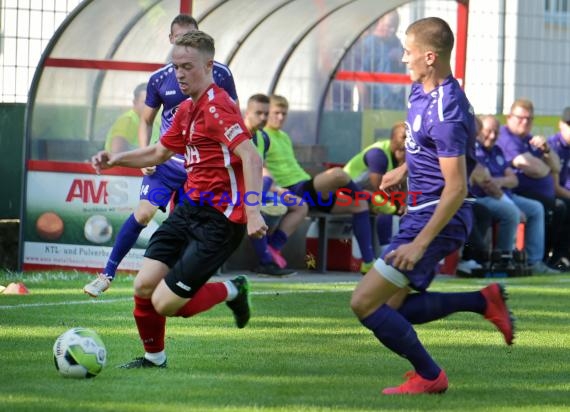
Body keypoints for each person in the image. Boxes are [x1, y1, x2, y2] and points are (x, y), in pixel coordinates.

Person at [350, 17, 514, 395]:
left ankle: (430, 375)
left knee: (363, 302)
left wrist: (419, 243)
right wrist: (405, 168)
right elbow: (433, 151)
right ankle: (482, 300)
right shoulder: (420, 92)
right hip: (423, 210)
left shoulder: (448, 110)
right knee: (395, 309)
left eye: (408, 53)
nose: (402, 59)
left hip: (440, 215)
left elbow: (456, 188)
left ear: (429, 56)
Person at [91, 30, 267, 368]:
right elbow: (158, 152)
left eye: (187, 66)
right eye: (175, 67)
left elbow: (251, 157)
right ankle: (154, 359)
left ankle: (233, 289)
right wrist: (115, 159)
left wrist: (254, 211)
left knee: (165, 303)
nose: (180, 74)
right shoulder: (186, 110)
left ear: (208, 66)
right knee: (143, 287)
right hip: (190, 209)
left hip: (221, 219)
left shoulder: (218, 109)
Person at [84, 14, 239, 297]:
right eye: (180, 39)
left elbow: (237, 128)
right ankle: (107, 273)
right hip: (166, 161)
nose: (185, 45)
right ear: (171, 41)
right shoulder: (161, 81)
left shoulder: (220, 80)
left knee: (181, 244)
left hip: (198, 170)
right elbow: (149, 125)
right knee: (144, 213)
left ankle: (203, 286)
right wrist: (134, 159)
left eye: (191, 38)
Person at [262, 94, 376, 274]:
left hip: (307, 187)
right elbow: (262, 168)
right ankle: (369, 198)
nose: (281, 117)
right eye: (276, 113)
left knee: (359, 204)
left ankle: (368, 263)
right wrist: (275, 188)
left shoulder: (283, 136)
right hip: (293, 189)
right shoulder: (262, 135)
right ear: (266, 113)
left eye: (284, 113)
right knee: (338, 175)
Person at [471, 115, 555, 273]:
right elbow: (487, 185)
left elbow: (514, 179)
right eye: (488, 131)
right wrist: (510, 202)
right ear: (480, 132)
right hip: (484, 198)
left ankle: (533, 261)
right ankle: (503, 260)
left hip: (505, 195)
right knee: (510, 212)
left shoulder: (496, 150)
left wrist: (501, 181)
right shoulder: (476, 151)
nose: (492, 135)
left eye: (496, 132)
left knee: (536, 207)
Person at [496, 99, 570, 269]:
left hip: (539, 196)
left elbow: (556, 166)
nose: (525, 122)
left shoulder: (530, 140)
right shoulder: (506, 137)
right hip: (515, 193)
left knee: (558, 208)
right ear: (509, 117)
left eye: (529, 119)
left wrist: (546, 150)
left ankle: (552, 259)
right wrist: (546, 167)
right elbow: (531, 167)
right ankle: (538, 259)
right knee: (556, 208)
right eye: (521, 118)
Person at [244, 94, 308, 276]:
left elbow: (260, 167)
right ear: (247, 112)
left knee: (300, 205)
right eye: (259, 113)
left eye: (265, 113)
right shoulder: (236, 134)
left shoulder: (264, 137)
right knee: (261, 204)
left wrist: (275, 188)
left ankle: (272, 249)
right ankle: (265, 261)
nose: (263, 118)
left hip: (258, 189)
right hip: (235, 191)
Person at [343, 121, 407, 215]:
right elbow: (379, 189)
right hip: (346, 191)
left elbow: (402, 185)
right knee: (390, 210)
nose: (407, 142)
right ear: (392, 138)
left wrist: (404, 203)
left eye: (410, 138)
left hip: (366, 193)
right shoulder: (378, 155)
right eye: (404, 137)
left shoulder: (400, 157)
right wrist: (396, 209)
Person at [356, 10, 407, 110]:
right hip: (374, 105)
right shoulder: (369, 44)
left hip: (394, 106)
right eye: (389, 26)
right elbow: (360, 78)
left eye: (395, 27)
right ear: (380, 22)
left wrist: (402, 60)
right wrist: (366, 108)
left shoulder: (396, 42)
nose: (392, 30)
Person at [103, 83, 157, 153]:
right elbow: (116, 153)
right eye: (144, 102)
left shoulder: (153, 118)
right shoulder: (127, 121)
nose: (148, 106)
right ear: (135, 102)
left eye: (152, 102)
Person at [547, 106, 570, 269]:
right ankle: (555, 257)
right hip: (555, 196)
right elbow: (554, 187)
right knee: (563, 207)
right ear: (561, 124)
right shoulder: (552, 147)